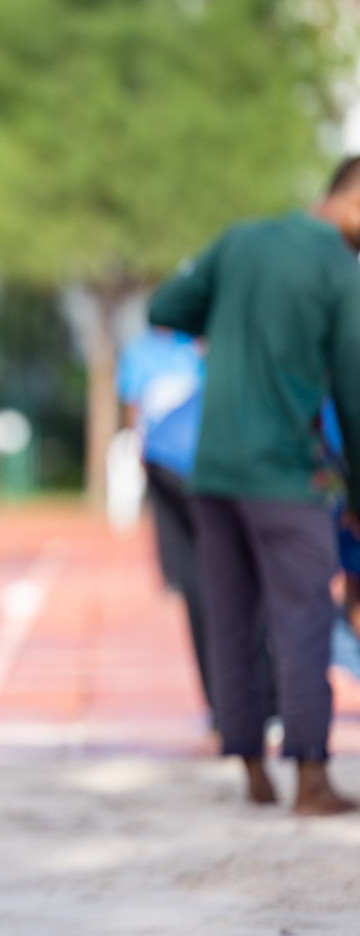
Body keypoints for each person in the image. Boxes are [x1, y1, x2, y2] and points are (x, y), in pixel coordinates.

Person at [148, 156, 360, 815]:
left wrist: (241, 331)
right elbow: (355, 393)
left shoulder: (241, 240)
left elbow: (165, 307)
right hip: (285, 473)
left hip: (211, 474)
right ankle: (311, 778)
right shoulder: (339, 268)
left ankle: (250, 769)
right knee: (301, 619)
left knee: (232, 619)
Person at [115, 328, 217, 717]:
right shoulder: (186, 350)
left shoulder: (189, 348)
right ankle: (239, 705)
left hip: (170, 453)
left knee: (203, 582)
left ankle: (225, 706)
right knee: (222, 582)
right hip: (192, 459)